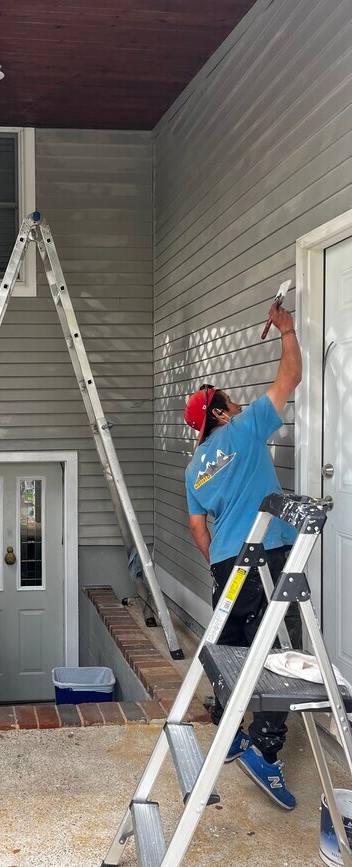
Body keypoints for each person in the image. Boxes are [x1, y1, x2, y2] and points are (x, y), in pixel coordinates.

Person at [183, 300, 302, 810]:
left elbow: (196, 527)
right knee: (280, 652)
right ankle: (265, 751)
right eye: (227, 401)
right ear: (218, 411)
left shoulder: (193, 470)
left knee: (229, 645)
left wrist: (218, 561)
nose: (234, 405)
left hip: (228, 562)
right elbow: (290, 377)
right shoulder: (246, 427)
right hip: (270, 554)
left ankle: (228, 727)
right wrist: (288, 331)